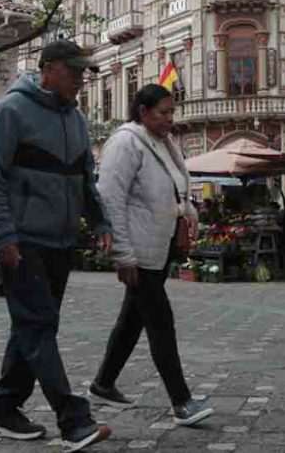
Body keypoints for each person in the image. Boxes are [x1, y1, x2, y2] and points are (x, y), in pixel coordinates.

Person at [0, 39, 112, 451]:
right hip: (23, 240)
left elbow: (85, 179)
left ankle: (2, 411)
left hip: (60, 240)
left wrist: (101, 220)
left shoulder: (77, 119)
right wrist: (4, 236)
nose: (80, 80)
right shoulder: (11, 111)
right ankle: (74, 419)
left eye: (84, 73)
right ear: (47, 68)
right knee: (37, 324)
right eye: (73, 72)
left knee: (37, 325)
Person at [89, 84, 213, 426]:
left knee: (133, 319)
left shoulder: (165, 143)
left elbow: (178, 189)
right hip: (139, 250)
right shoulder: (125, 142)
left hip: (159, 246)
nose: (170, 119)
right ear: (143, 112)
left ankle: (103, 382)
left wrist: (189, 213)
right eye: (163, 112)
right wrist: (123, 254)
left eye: (172, 112)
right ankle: (181, 400)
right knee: (160, 321)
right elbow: (110, 198)